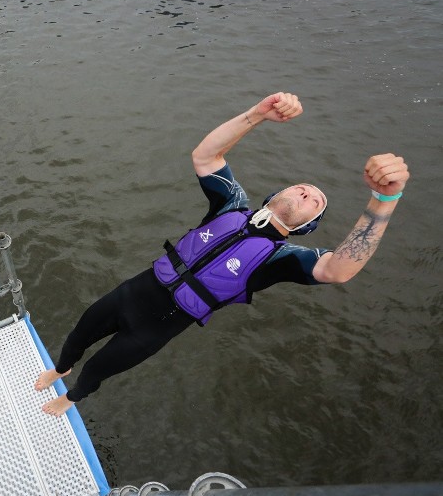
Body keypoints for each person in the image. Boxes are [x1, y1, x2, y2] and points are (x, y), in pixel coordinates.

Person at [35, 91, 410, 417]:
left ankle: (72, 395)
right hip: (131, 293)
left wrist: (384, 198)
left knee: (98, 370)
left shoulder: (281, 259)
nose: (307, 193)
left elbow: (338, 269)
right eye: (301, 187)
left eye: (316, 201)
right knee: (78, 337)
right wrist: (258, 114)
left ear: (309, 225)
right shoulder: (230, 206)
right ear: (275, 195)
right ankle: (61, 368)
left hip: (156, 328)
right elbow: (206, 156)